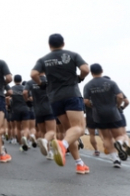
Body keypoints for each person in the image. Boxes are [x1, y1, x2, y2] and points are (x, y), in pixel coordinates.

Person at [31, 33, 90, 174]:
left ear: (49, 45)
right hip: (71, 95)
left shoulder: (44, 59)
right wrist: (80, 78)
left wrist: (41, 84)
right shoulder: (72, 55)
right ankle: (62, 145)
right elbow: (85, 69)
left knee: (70, 131)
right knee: (79, 129)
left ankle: (79, 163)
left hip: (54, 98)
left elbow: (33, 74)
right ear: (63, 43)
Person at [83, 65, 130, 168]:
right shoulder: (111, 83)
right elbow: (120, 96)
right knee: (120, 135)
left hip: (98, 114)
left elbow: (86, 101)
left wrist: (92, 106)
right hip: (112, 112)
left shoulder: (88, 85)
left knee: (106, 137)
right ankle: (119, 142)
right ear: (102, 71)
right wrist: (118, 106)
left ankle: (115, 160)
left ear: (91, 72)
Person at [24, 75, 55, 160]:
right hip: (49, 107)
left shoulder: (30, 82)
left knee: (42, 131)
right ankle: (48, 146)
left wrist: (27, 101)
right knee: (51, 131)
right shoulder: (49, 79)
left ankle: (48, 151)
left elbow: (25, 92)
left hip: (37, 109)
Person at [9, 75, 33, 152]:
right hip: (25, 108)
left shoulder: (11, 89)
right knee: (26, 127)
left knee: (18, 128)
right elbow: (31, 98)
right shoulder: (25, 88)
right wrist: (27, 101)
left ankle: (21, 144)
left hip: (15, 109)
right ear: (21, 80)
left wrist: (10, 105)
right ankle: (25, 138)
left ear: (14, 80)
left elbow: (6, 97)